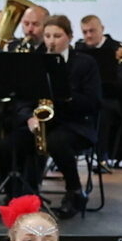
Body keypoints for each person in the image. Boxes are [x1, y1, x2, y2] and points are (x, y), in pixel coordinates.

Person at [22, 15, 102, 217]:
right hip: (46, 123)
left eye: (57, 36)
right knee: (14, 140)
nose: (51, 41)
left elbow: (93, 102)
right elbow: (24, 98)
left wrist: (66, 94)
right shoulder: (36, 61)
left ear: (69, 37)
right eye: (47, 36)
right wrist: (29, 117)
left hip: (76, 124)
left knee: (57, 141)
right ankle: (25, 195)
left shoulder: (85, 63)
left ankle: (74, 191)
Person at [78, 13, 122, 163]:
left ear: (102, 29)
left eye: (92, 31)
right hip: (88, 96)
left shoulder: (118, 48)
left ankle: (102, 156)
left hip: (111, 97)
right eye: (85, 32)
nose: (88, 35)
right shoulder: (79, 48)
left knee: (102, 110)